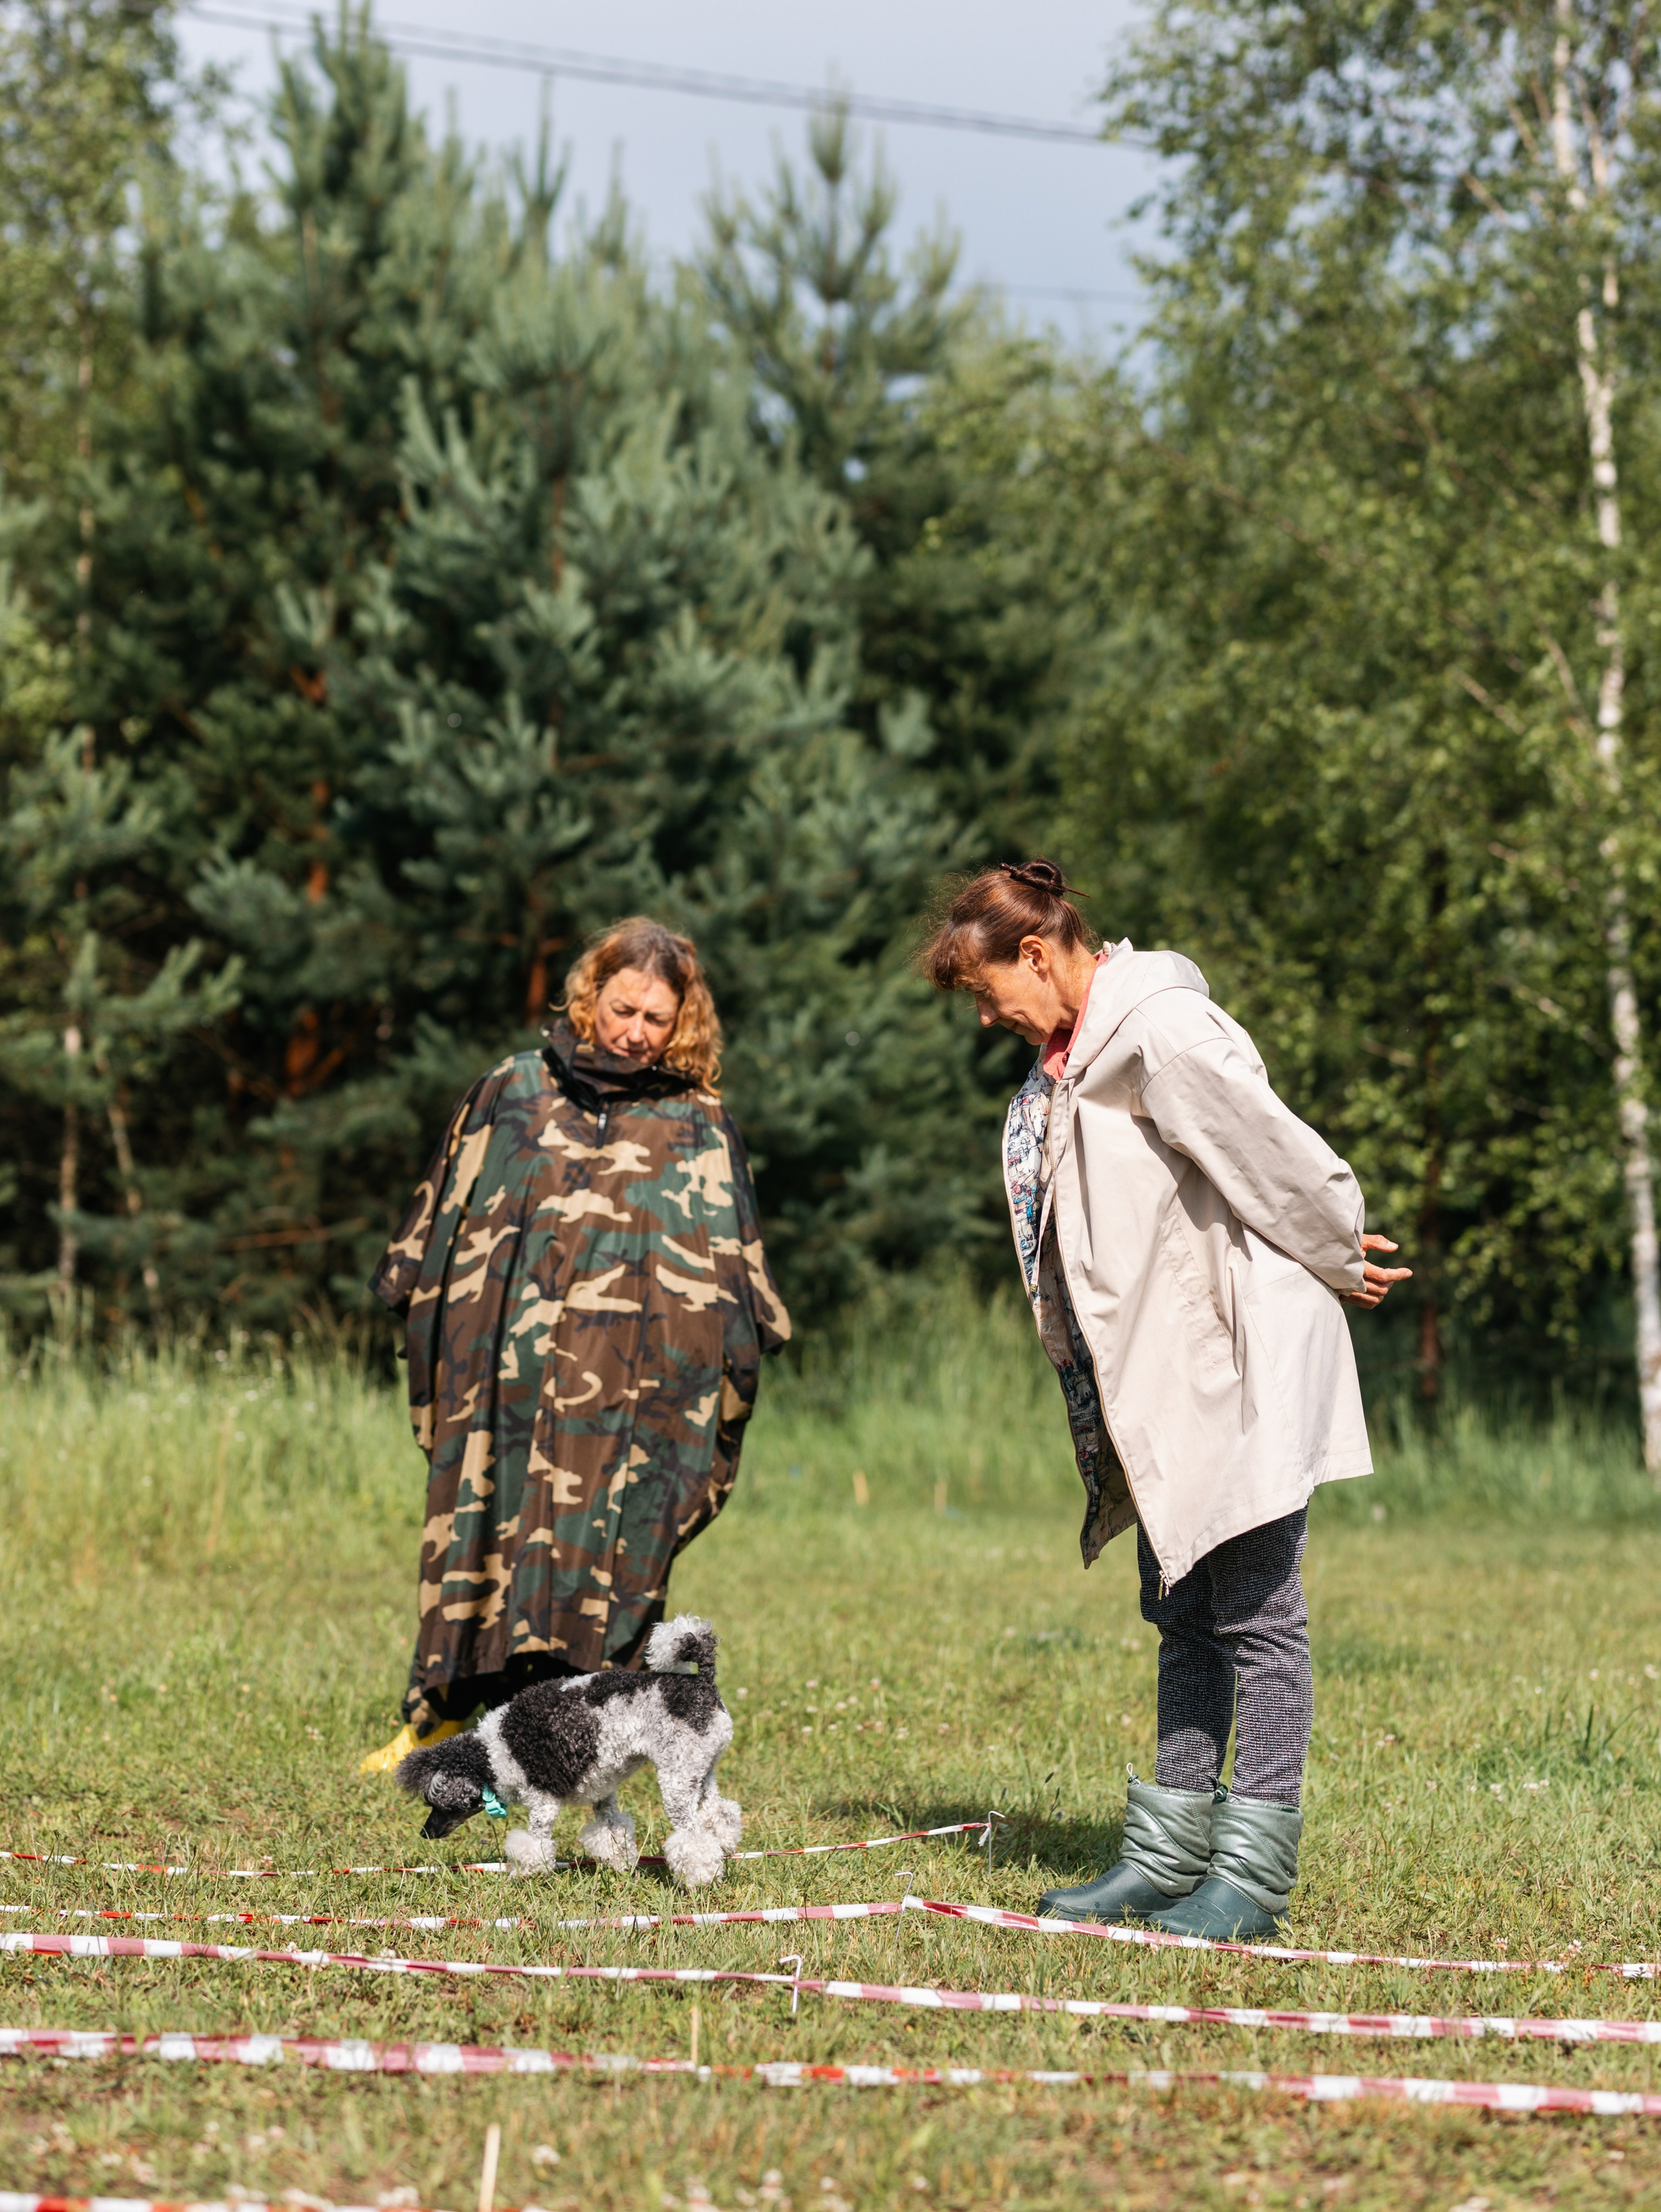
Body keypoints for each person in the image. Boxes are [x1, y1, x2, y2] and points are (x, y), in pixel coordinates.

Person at [921, 860, 1409, 1937]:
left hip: (1238, 1354)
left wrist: (1337, 1242)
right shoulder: (1076, 1054)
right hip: (1162, 1370)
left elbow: (1274, 1151)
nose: (990, 1013)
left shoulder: (1161, 1031)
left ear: (1036, 955)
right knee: (1185, 1607)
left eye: (989, 988)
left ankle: (1254, 1869)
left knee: (1260, 1616)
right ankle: (1168, 1851)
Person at [359, 918, 791, 1773]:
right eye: (622, 1007)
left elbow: (733, 1277)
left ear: (684, 1024)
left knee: (613, 1548)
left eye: (656, 1019)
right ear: (588, 996)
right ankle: (444, 1721)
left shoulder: (696, 1121)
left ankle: (585, 1734)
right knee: (484, 1531)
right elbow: (442, 1219)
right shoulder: (514, 1090)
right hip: (507, 1386)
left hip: (633, 1400)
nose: (635, 1031)